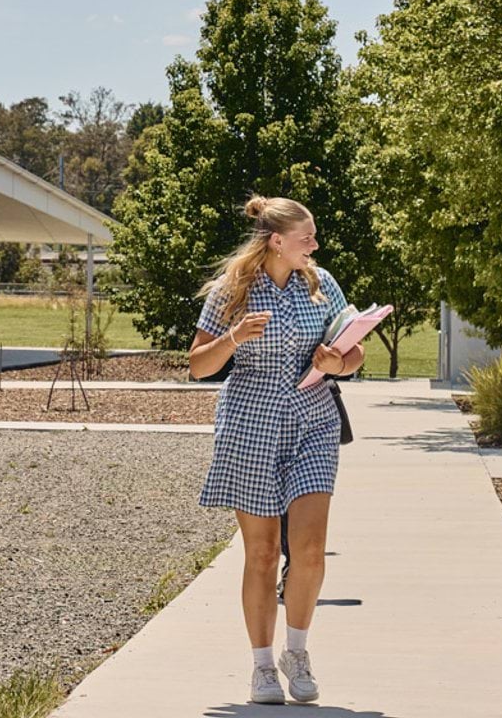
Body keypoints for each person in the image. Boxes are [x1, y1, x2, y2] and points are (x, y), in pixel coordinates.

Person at [189, 196, 363, 706]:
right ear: (276, 241)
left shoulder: (321, 282)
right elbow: (199, 365)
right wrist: (234, 338)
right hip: (251, 426)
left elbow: (354, 351)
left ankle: (298, 652)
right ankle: (263, 667)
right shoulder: (233, 290)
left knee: (309, 551)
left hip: (313, 422)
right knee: (263, 554)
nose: (315, 244)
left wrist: (339, 363)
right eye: (306, 237)